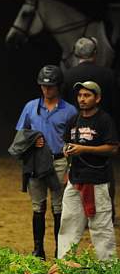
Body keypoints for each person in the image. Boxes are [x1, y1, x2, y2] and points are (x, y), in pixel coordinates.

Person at [14, 65, 77, 260]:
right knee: (37, 206)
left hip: (59, 161)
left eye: (50, 86)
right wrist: (32, 141)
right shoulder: (31, 107)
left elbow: (75, 141)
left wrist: (70, 168)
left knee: (59, 208)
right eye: (43, 86)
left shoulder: (70, 111)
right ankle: (38, 249)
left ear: (59, 86)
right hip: (36, 162)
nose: (46, 90)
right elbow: (20, 135)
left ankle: (60, 249)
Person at [58, 81, 118, 260]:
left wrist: (84, 149)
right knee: (68, 224)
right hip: (75, 179)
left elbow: (113, 148)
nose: (82, 99)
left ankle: (107, 270)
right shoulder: (73, 120)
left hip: (98, 180)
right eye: (80, 96)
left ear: (97, 98)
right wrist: (67, 149)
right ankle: (64, 267)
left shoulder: (104, 120)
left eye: (87, 95)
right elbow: (67, 142)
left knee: (101, 227)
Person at [62, 37, 118, 220]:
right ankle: (108, 210)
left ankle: (80, 213)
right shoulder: (108, 74)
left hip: (76, 127)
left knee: (75, 168)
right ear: (95, 54)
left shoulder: (68, 75)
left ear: (76, 54)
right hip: (103, 127)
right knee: (105, 170)